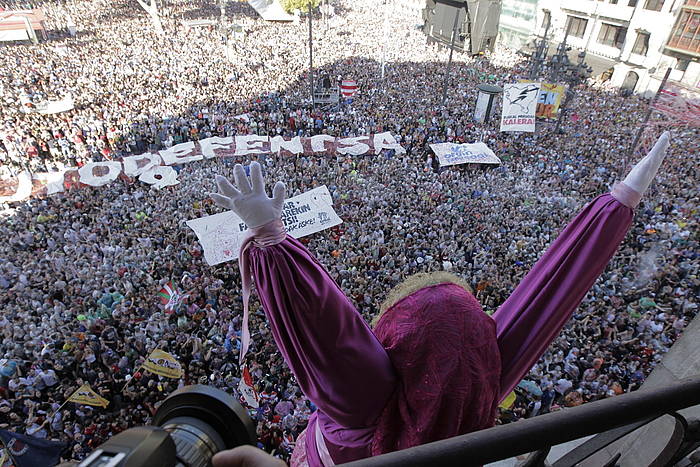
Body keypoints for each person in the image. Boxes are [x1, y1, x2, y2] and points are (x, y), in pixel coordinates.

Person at [210, 132, 671, 466]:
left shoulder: (368, 402)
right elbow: (546, 298)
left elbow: (323, 331)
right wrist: (617, 206)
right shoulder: (482, 384)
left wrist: (271, 242)